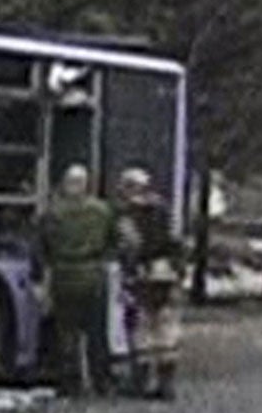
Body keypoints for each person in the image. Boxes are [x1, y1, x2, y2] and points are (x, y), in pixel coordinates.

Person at [34, 163, 116, 397]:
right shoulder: (102, 211)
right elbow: (113, 241)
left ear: (65, 184)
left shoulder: (52, 213)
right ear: (86, 184)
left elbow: (41, 248)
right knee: (96, 333)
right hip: (93, 276)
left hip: (64, 276)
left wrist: (41, 279)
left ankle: (70, 382)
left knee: (67, 332)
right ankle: (102, 382)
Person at [114, 167, 184, 400]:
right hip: (167, 275)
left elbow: (129, 247)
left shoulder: (128, 215)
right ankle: (167, 384)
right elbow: (176, 241)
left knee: (140, 329)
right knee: (166, 329)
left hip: (143, 276)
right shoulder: (165, 210)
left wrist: (129, 273)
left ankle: (140, 382)